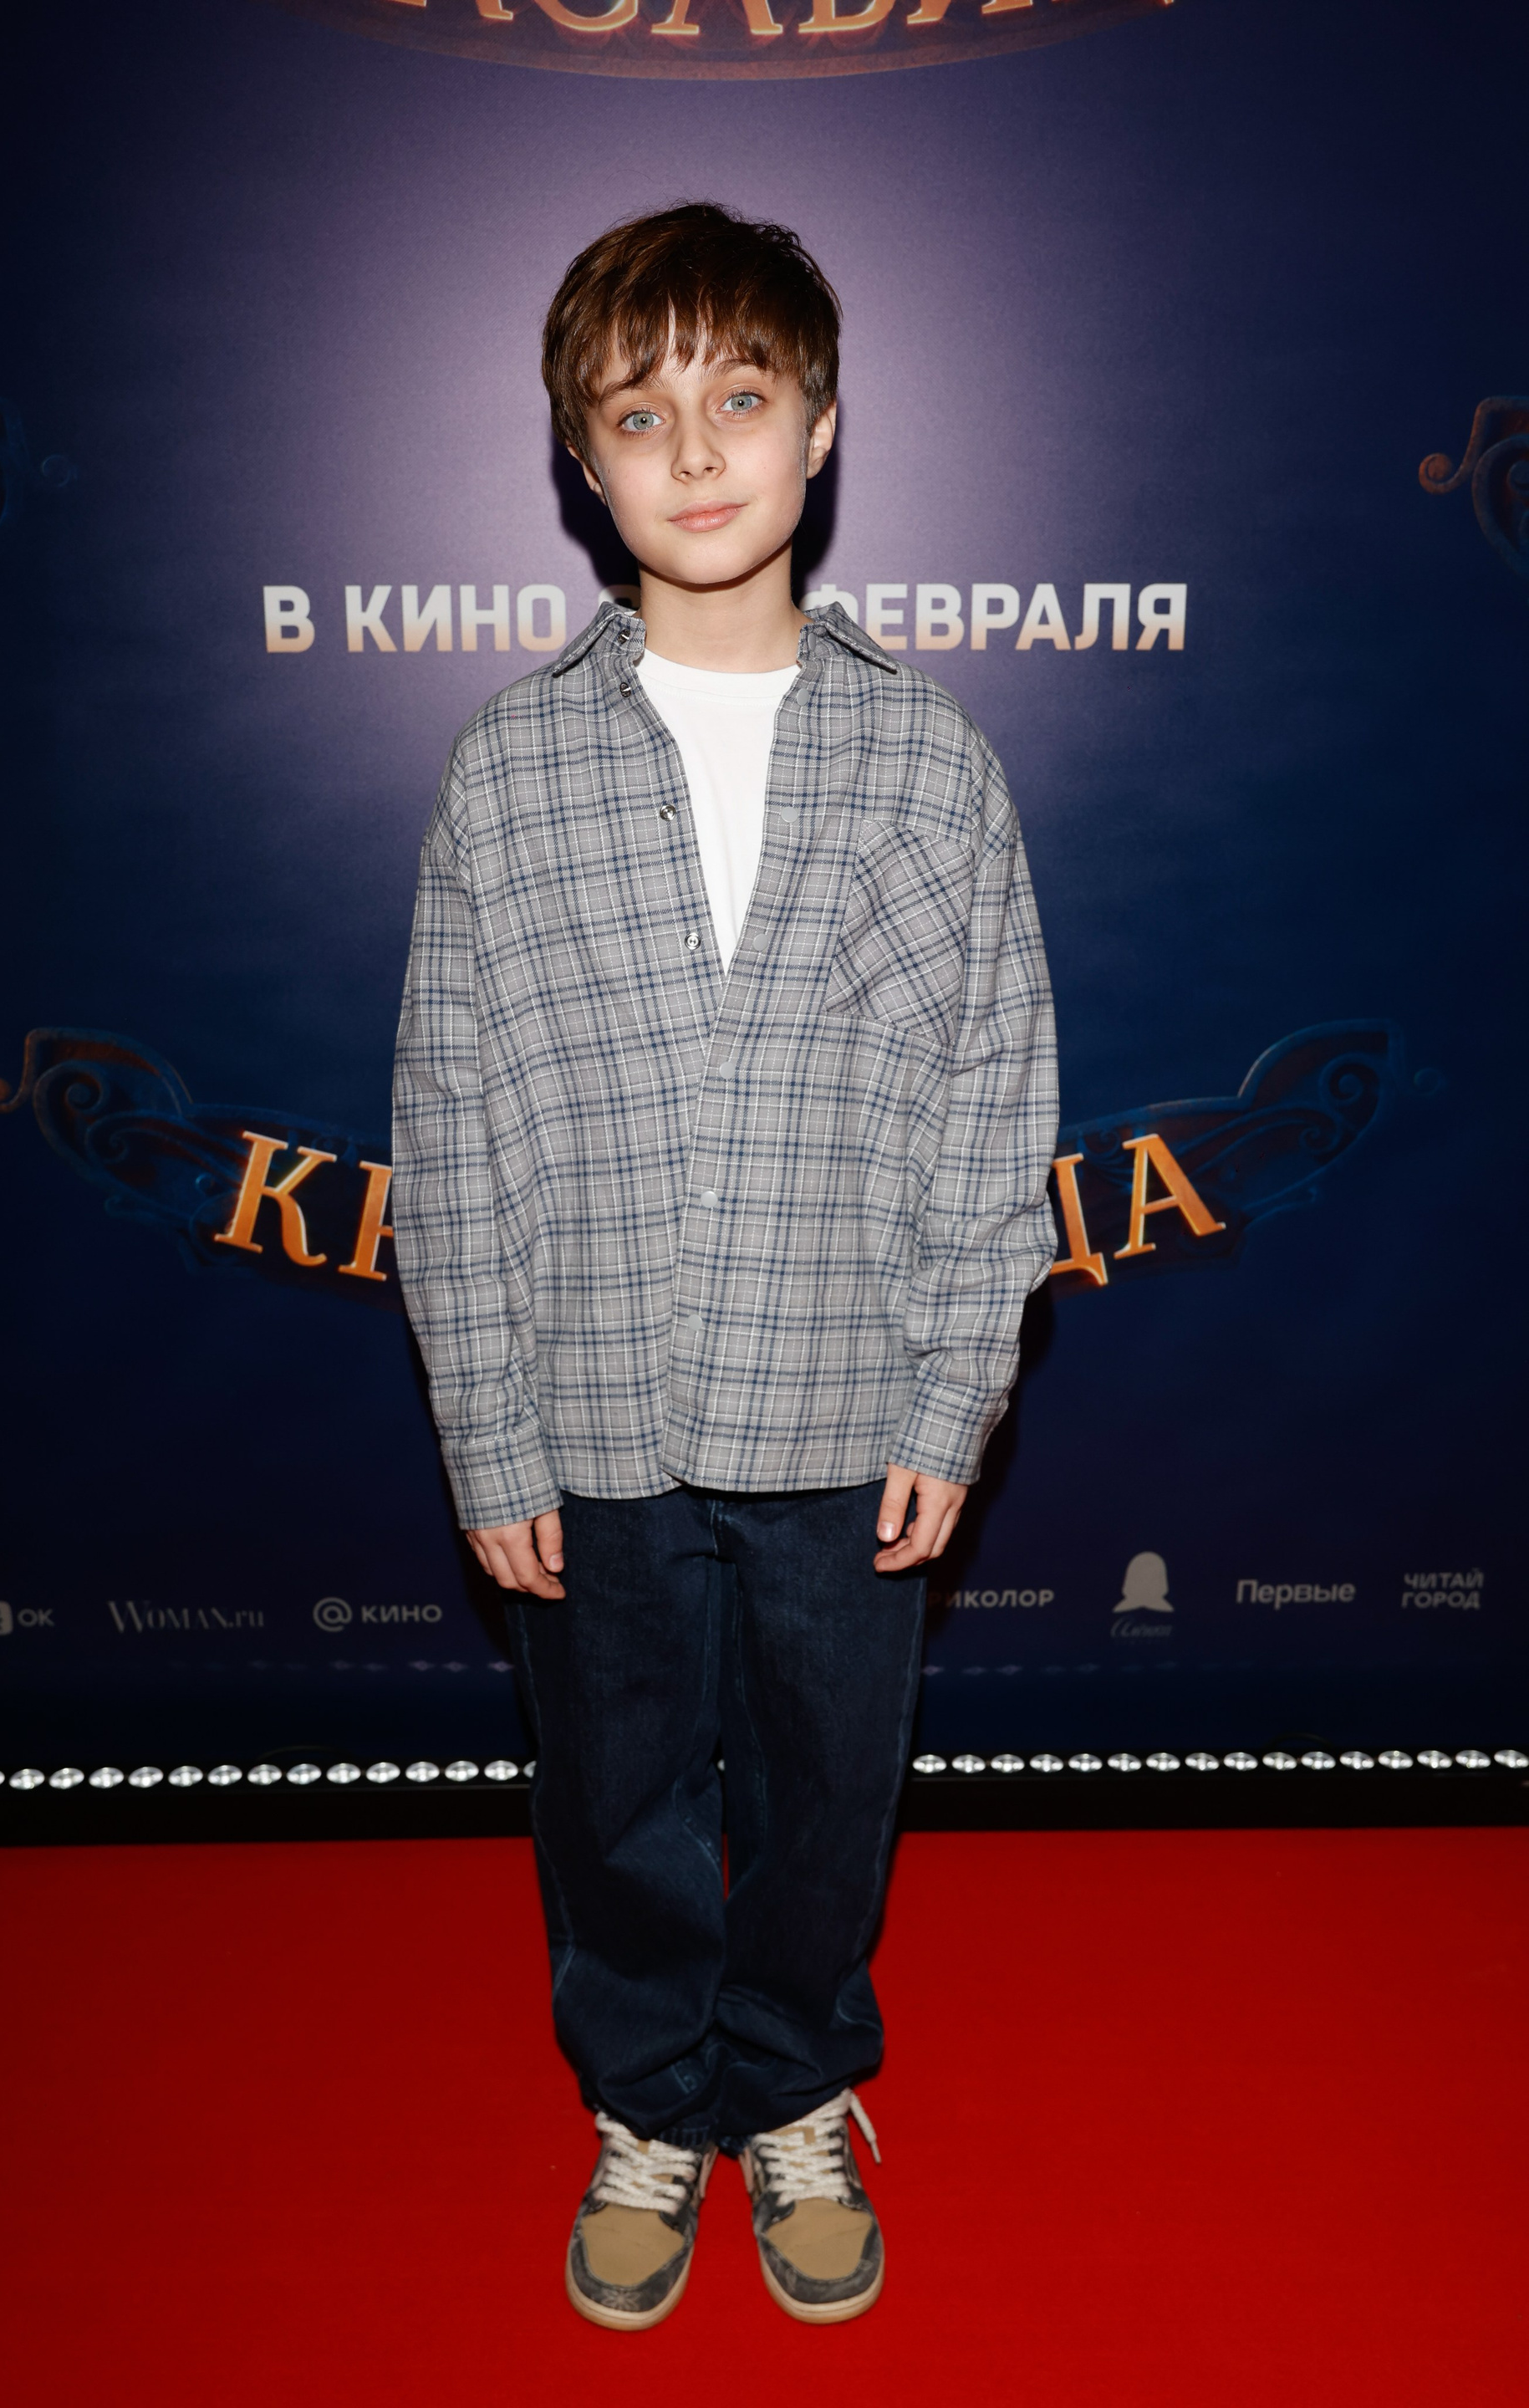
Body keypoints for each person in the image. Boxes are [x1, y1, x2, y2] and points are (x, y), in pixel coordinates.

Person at [392, 202, 1058, 2330]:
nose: (695, 452)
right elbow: (454, 1118)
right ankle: (645, 2102)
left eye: (742, 398)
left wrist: (954, 1390)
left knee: (828, 1794)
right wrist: (491, 1428)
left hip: (845, 1405)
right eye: (639, 412)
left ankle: (789, 2082)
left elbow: (990, 1099)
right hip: (589, 1407)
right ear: (582, 461)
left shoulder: (933, 765)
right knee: (611, 1797)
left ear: (822, 425)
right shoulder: (509, 772)